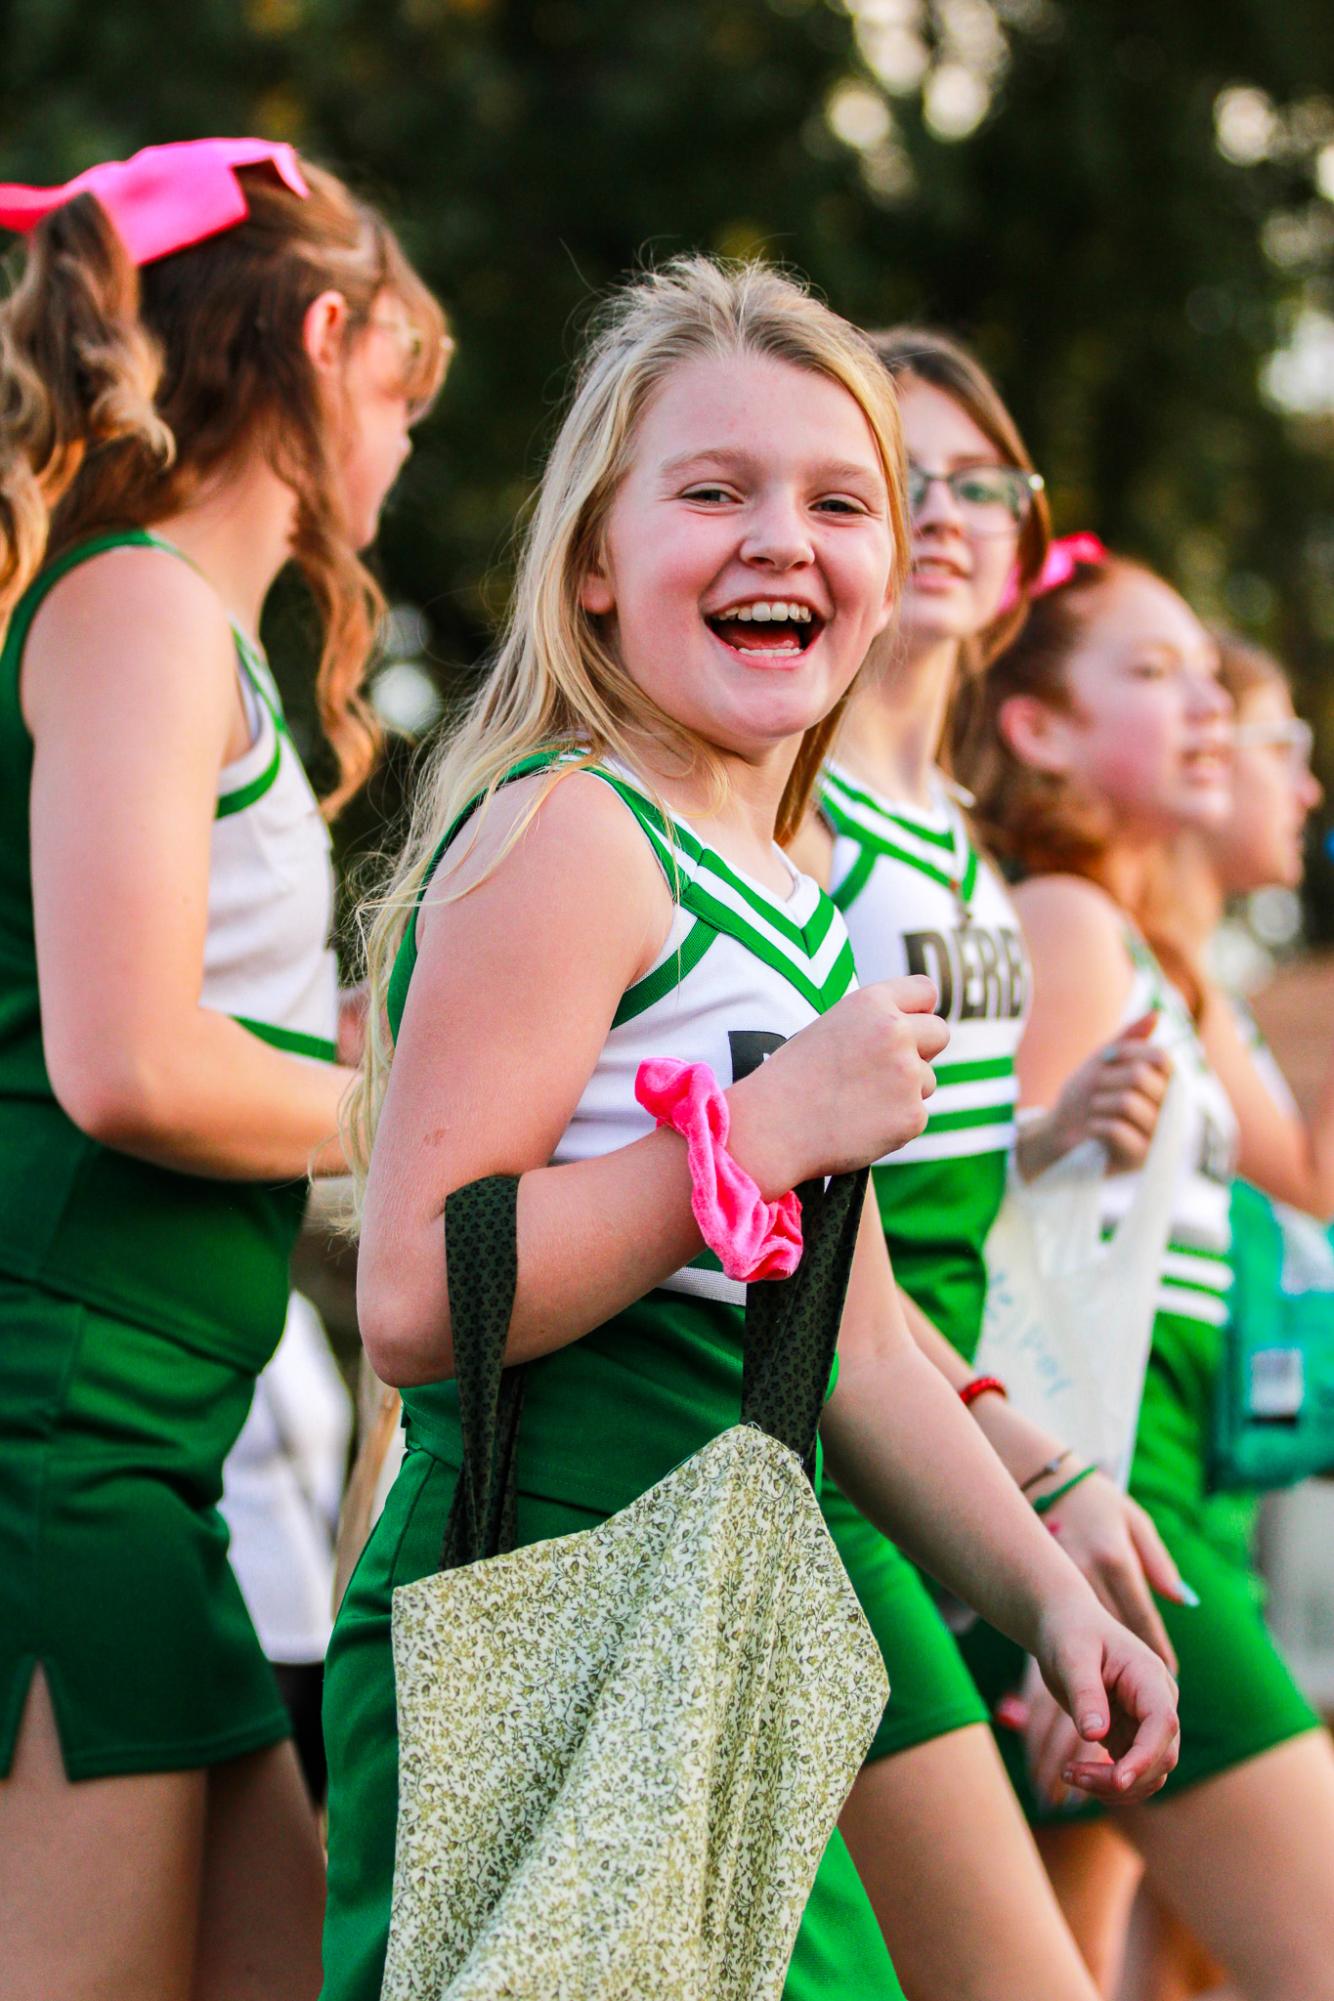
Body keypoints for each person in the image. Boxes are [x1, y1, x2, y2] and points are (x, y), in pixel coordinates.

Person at [322, 256, 1179, 2001]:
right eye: (710, 492)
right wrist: (764, 1127)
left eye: (834, 501)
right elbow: (413, 1299)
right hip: (551, 1610)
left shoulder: (782, 885)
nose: (778, 538)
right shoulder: (568, 833)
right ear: (591, 558)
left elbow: (852, 1339)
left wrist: (1046, 1602)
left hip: (728, 1620)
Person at [0, 140, 447, 2001]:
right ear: (329, 340)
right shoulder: (139, 612)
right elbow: (125, 1065)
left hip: (149, 1474)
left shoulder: (192, 638)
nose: (409, 453)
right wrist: (421, 1116)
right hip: (55, 1460)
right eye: (410, 399)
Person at [784, 330, 1190, 2001]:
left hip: (964, 1403)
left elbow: (910, 1155)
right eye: (908, 479)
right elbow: (801, 1199)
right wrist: (1031, 1478)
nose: (947, 512)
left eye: (982, 484)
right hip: (853, 1434)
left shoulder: (948, 827)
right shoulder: (795, 809)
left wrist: (1048, 1130)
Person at [956, 547, 1334, 2001]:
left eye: (1207, 682)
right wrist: (1056, 1571)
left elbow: (1304, 1179)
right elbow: (998, 1259)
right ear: (1038, 732)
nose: (1211, 716)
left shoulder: (1158, 961)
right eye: (1156, 674)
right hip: (1123, 1521)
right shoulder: (1063, 924)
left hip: (1165, 1510)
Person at [220, 1290, 354, 1808]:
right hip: (294, 1600)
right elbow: (324, 1423)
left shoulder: (282, 1310)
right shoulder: (293, 1309)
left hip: (275, 1605)